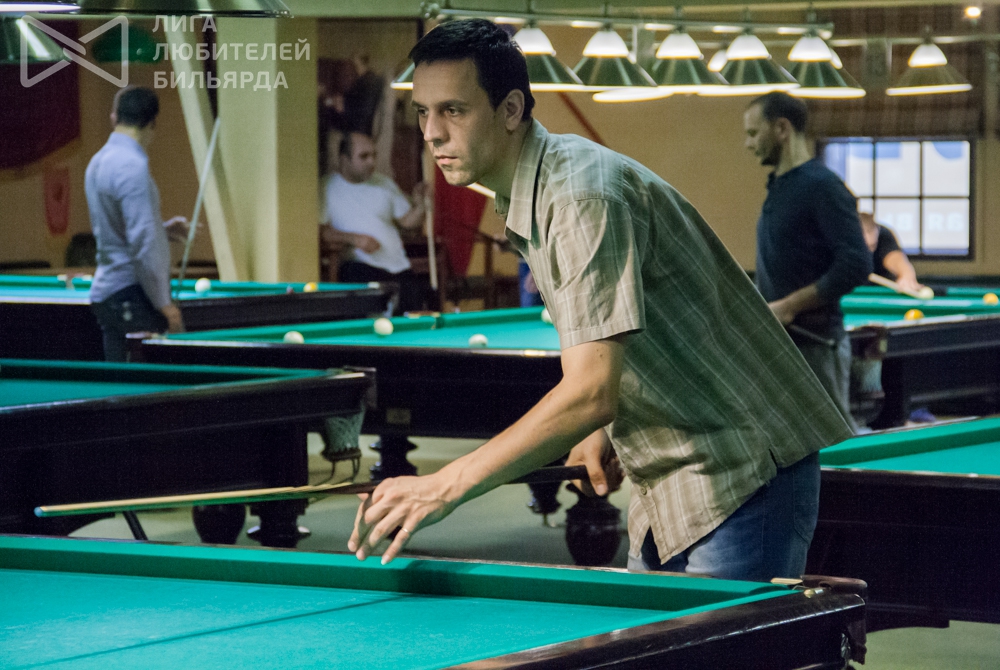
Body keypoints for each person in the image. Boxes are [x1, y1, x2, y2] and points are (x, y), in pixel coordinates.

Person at [347, 19, 853, 582]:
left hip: (744, 468)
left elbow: (590, 392)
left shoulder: (580, 197)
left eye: (453, 111)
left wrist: (446, 483)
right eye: (423, 112)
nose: (432, 133)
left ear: (511, 109)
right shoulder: (537, 190)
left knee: (709, 638)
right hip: (670, 478)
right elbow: (615, 339)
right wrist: (598, 431)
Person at [744, 92, 872, 433]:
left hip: (816, 345)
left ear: (781, 128)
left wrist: (788, 306)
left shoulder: (822, 187)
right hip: (781, 346)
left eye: (753, 133)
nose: (748, 143)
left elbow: (857, 263)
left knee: (829, 449)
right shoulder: (780, 185)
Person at [86, 87, 189, 362]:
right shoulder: (132, 166)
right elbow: (143, 242)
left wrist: (162, 230)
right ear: (152, 123)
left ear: (113, 117)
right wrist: (165, 305)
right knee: (150, 385)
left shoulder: (97, 162)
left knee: (120, 382)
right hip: (131, 295)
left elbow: (114, 229)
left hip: (110, 295)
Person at [322, 132, 428, 313]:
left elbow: (408, 221)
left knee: (417, 315)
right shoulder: (327, 187)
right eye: (364, 156)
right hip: (360, 268)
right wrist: (355, 239)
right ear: (344, 159)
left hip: (399, 267)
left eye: (373, 155)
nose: (371, 162)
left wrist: (421, 205)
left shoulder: (384, 183)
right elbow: (321, 232)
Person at [860, 212, 926, 295]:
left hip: (883, 294)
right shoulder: (844, 238)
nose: (869, 251)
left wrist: (906, 275)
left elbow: (894, 258)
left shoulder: (884, 235)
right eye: (864, 247)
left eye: (872, 246)